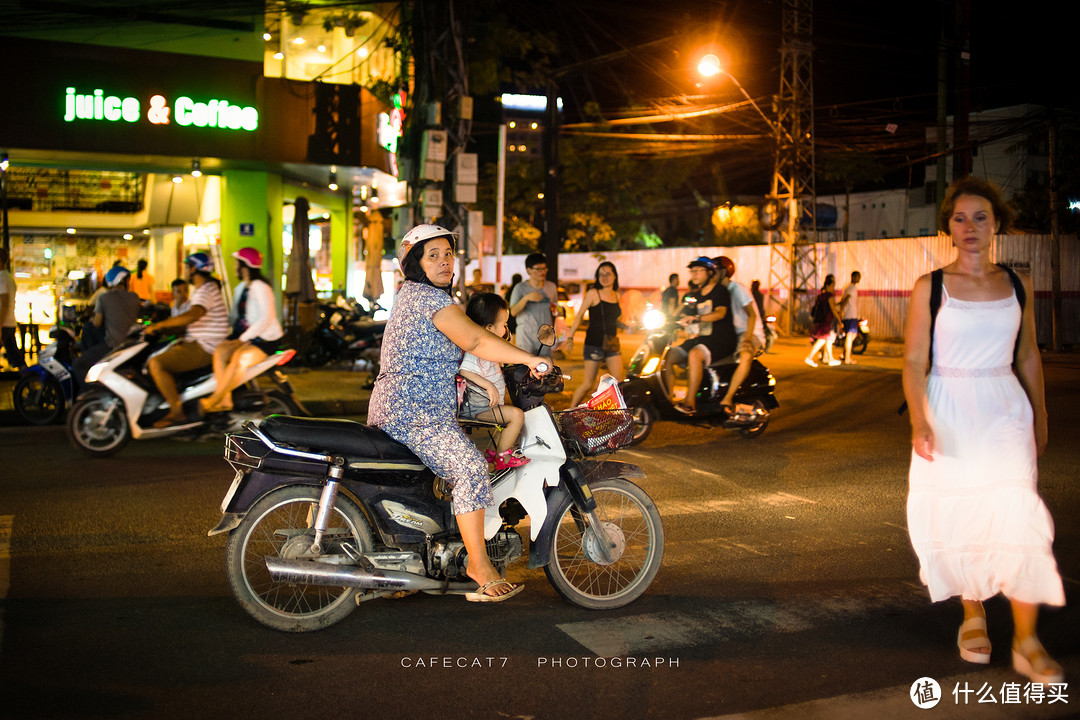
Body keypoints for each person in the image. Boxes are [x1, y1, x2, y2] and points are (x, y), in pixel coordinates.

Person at [903, 178, 1064, 684]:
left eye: (980, 217)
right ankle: (973, 613)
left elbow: (1028, 354)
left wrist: (1040, 414)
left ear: (997, 225)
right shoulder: (930, 287)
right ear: (948, 227)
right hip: (948, 406)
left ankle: (1026, 639)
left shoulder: (1018, 284)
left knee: (1017, 515)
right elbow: (912, 360)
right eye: (959, 218)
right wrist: (919, 419)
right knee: (963, 511)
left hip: (1004, 410)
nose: (969, 227)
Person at [368, 224, 548, 602]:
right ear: (415, 264)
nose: (444, 261)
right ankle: (479, 567)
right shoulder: (428, 300)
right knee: (469, 467)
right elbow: (478, 340)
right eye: (432, 255)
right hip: (414, 413)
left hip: (407, 408)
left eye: (448, 254)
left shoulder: (413, 296)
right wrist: (531, 359)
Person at [144, 252, 229, 427]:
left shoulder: (206, 289)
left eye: (188, 267)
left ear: (194, 269)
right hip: (200, 342)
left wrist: (159, 326)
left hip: (205, 346)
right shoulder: (206, 288)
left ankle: (176, 412)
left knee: (156, 363)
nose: (186, 271)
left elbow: (194, 314)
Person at [199, 248, 284, 414]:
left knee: (239, 359)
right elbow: (234, 317)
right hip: (246, 337)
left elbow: (266, 318)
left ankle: (215, 398)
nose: (235, 267)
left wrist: (241, 339)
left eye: (237, 263)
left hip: (265, 339)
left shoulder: (261, 287)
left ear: (245, 266)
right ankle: (226, 400)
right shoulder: (240, 288)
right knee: (220, 351)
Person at [458, 293, 529, 472]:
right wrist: (489, 386)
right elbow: (464, 370)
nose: (506, 328)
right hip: (478, 408)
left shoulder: (490, 347)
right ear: (489, 328)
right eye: (503, 325)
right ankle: (502, 456)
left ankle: (494, 452)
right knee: (516, 416)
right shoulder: (477, 351)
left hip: (484, 406)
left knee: (506, 422)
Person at [663, 257, 735, 414]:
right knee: (669, 355)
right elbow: (685, 315)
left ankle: (690, 403)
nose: (693, 274)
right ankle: (669, 399)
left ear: (710, 272)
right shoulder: (697, 295)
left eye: (698, 271)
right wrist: (671, 322)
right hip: (703, 339)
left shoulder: (720, 291)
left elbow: (720, 313)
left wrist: (697, 318)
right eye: (692, 271)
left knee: (695, 354)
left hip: (721, 340)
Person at [565, 261, 626, 408]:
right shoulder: (593, 293)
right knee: (588, 383)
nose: (604, 277)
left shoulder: (617, 296)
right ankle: (569, 411)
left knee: (619, 381)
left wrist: (629, 326)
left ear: (614, 276)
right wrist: (570, 337)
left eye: (608, 273)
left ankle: (609, 411)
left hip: (611, 343)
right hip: (594, 344)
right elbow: (579, 315)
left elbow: (616, 320)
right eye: (601, 274)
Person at [71, 264, 142, 385]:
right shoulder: (135, 297)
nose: (129, 283)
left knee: (78, 365)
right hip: (132, 346)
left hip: (113, 345)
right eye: (128, 280)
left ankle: (88, 393)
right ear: (122, 280)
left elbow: (97, 323)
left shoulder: (104, 297)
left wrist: (93, 318)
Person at [714, 256, 766, 412]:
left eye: (715, 270)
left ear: (724, 272)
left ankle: (728, 398)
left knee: (745, 356)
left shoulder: (737, 289)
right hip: (732, 334)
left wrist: (748, 340)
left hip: (750, 331)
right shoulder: (718, 291)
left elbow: (752, 315)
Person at [509, 253, 557, 357]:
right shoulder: (520, 288)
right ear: (528, 270)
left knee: (546, 368)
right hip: (526, 335)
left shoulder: (551, 287)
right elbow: (512, 312)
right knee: (525, 369)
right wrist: (526, 298)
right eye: (538, 269)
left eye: (544, 268)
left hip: (546, 336)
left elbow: (555, 309)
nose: (542, 272)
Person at [804, 275, 842, 367]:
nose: (833, 288)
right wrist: (840, 320)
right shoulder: (829, 296)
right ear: (829, 285)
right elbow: (833, 309)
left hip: (820, 320)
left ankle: (830, 359)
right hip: (826, 321)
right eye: (833, 286)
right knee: (822, 340)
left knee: (827, 340)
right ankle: (809, 357)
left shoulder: (820, 296)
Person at [0, 248, 26, 370]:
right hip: (9, 322)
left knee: (15, 356)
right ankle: (30, 383)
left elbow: (4, 304)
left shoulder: (2, 278)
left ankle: (31, 382)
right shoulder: (8, 277)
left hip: (3, 323)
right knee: (16, 357)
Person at [840, 271, 862, 364]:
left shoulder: (849, 288)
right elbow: (845, 300)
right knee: (850, 335)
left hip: (850, 314)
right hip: (850, 315)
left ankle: (845, 354)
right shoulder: (851, 288)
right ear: (853, 277)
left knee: (853, 335)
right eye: (857, 277)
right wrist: (841, 310)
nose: (859, 278)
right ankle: (847, 358)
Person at [502, 273, 522, 338]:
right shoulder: (519, 291)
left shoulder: (509, 291)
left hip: (509, 315)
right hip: (517, 315)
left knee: (511, 335)